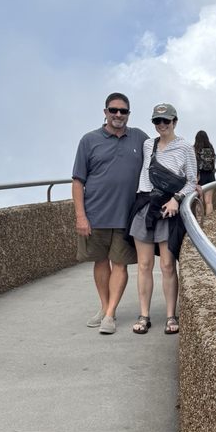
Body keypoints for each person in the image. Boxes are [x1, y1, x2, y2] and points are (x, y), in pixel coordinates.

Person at [72, 92, 148, 335]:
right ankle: (105, 308)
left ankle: (110, 312)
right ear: (105, 112)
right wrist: (80, 216)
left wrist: (191, 180)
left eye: (123, 111)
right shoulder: (89, 140)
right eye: (113, 110)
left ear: (128, 114)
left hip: (127, 215)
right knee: (100, 262)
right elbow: (77, 181)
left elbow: (162, 158)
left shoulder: (139, 138)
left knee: (121, 264)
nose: (118, 115)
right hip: (95, 214)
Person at [130, 103, 198, 335]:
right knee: (144, 265)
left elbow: (191, 180)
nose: (161, 125)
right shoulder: (148, 144)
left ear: (175, 122)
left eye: (166, 121)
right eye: (157, 121)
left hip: (168, 209)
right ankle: (144, 314)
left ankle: (171, 315)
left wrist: (177, 200)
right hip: (145, 205)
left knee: (167, 265)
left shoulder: (185, 148)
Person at [193, 129, 216, 215]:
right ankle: (209, 224)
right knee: (209, 202)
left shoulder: (195, 150)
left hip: (200, 177)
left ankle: (199, 223)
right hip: (211, 176)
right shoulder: (211, 149)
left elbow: (194, 166)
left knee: (199, 201)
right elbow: (213, 164)